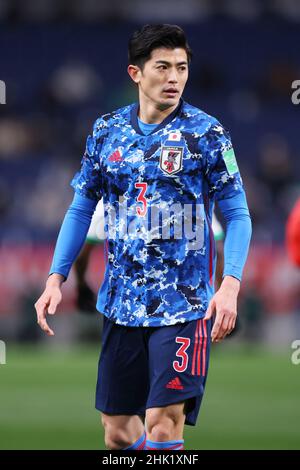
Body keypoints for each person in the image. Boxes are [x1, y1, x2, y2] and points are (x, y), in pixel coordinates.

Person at [35, 24, 252, 451]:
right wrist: (55, 277)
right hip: (120, 304)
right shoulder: (105, 131)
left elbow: (238, 213)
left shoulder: (206, 133)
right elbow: (82, 207)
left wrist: (230, 284)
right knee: (117, 434)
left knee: (164, 425)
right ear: (136, 73)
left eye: (182, 68)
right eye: (163, 67)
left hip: (184, 303)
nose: (174, 78)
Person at [74, 202, 224, 311]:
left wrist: (82, 286)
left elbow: (82, 252)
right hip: (177, 302)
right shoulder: (186, 197)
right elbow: (218, 250)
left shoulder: (110, 201)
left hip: (126, 304)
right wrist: (223, 294)